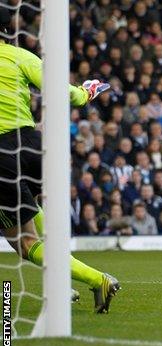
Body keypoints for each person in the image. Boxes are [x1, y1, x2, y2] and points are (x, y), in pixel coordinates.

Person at [0, 9, 119, 313]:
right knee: (30, 225)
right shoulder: (18, 55)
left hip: (1, 158)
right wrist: (84, 92)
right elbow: (59, 90)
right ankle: (62, 286)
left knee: (25, 243)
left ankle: (97, 279)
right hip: (31, 147)